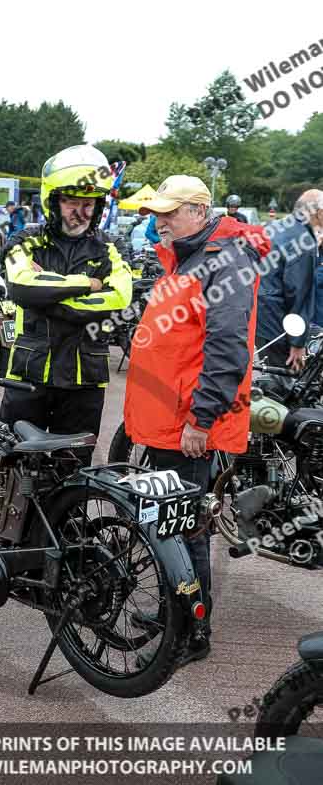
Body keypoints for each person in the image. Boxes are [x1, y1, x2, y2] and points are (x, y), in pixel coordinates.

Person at [124, 175, 271, 667]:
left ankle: (191, 630)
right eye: (156, 212)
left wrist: (201, 421)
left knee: (187, 528)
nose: (158, 221)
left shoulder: (223, 260)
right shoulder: (191, 256)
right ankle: (176, 612)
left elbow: (228, 349)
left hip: (189, 425)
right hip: (169, 420)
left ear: (197, 210)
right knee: (168, 522)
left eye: (168, 212)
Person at [0, 144, 132, 463]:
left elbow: (120, 298)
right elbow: (21, 286)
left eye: (89, 202)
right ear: (54, 201)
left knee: (74, 473)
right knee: (14, 467)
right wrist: (87, 284)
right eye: (72, 199)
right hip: (28, 377)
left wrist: (48, 298)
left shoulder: (111, 248)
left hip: (84, 382)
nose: (81, 209)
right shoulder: (25, 241)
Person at [256, 190, 322, 371]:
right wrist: (298, 342)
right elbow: (299, 294)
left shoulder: (276, 227)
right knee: (280, 380)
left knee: (262, 373)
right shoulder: (304, 242)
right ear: (319, 213)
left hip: (258, 314)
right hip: (277, 321)